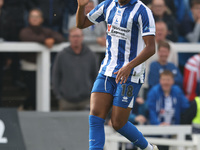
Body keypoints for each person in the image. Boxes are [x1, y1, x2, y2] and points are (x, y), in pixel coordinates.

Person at [76, 0, 158, 150]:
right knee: (95, 115)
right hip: (107, 70)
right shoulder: (108, 5)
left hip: (131, 74)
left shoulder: (142, 11)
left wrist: (129, 66)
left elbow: (151, 48)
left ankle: (149, 148)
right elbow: (81, 24)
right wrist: (81, 7)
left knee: (118, 123)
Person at [19, 8, 64, 110]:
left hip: (43, 67)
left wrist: (52, 39)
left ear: (41, 19)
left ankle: (27, 108)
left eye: (37, 17)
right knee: (34, 91)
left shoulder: (46, 31)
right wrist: (44, 40)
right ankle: (25, 108)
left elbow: (60, 37)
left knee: (42, 90)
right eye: (32, 17)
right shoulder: (25, 31)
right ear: (28, 19)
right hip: (28, 67)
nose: (34, 19)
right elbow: (26, 37)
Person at [52, 27, 98, 111]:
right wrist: (59, 96)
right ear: (69, 38)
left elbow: (95, 76)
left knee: (86, 124)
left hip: (86, 100)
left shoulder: (91, 55)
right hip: (66, 101)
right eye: (73, 36)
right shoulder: (62, 55)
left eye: (78, 36)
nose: (75, 39)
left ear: (82, 37)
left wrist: (92, 95)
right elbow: (56, 76)